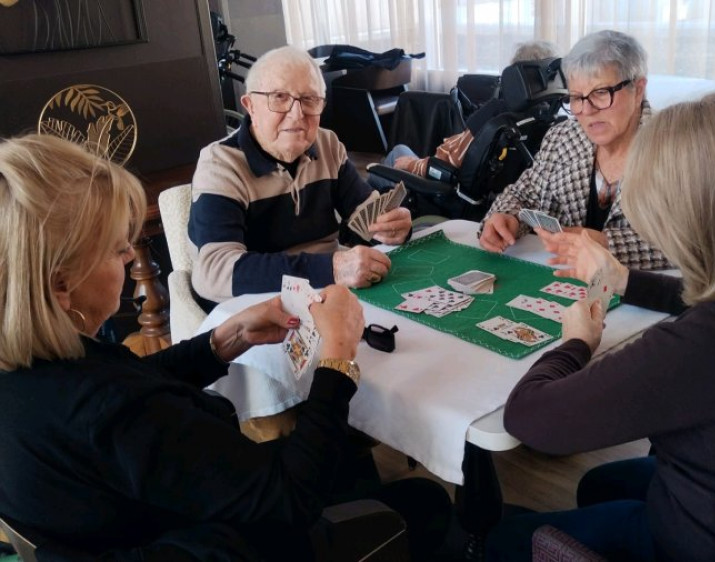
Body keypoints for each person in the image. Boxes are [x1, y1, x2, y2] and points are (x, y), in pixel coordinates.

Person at [0, 134, 450, 561]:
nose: (127, 258)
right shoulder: (111, 412)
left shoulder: (38, 370)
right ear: (61, 286)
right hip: (237, 538)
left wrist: (223, 340)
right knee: (427, 500)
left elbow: (131, 385)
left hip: (147, 518)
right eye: (116, 249)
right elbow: (290, 500)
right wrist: (337, 357)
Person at [485, 92, 715, 561]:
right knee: (600, 482)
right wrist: (625, 281)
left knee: (504, 543)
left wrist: (575, 343)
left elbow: (530, 420)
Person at [189, 45, 413, 307]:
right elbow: (214, 274)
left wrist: (392, 226)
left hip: (326, 293)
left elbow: (363, 223)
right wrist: (331, 268)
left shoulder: (327, 144)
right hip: (258, 307)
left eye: (309, 99)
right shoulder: (220, 164)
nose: (297, 115)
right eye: (280, 97)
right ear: (251, 106)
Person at [478, 30, 668, 271]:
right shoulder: (563, 137)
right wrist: (508, 217)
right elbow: (524, 195)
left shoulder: (674, 147)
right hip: (566, 286)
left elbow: (701, 242)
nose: (586, 111)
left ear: (638, 89)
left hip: (648, 298)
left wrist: (606, 244)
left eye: (600, 93)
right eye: (576, 97)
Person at [367, 40, 560, 190]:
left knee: (396, 154)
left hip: (441, 190)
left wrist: (414, 165)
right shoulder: (546, 118)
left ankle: (361, 221)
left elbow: (448, 165)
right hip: (487, 191)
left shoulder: (498, 114)